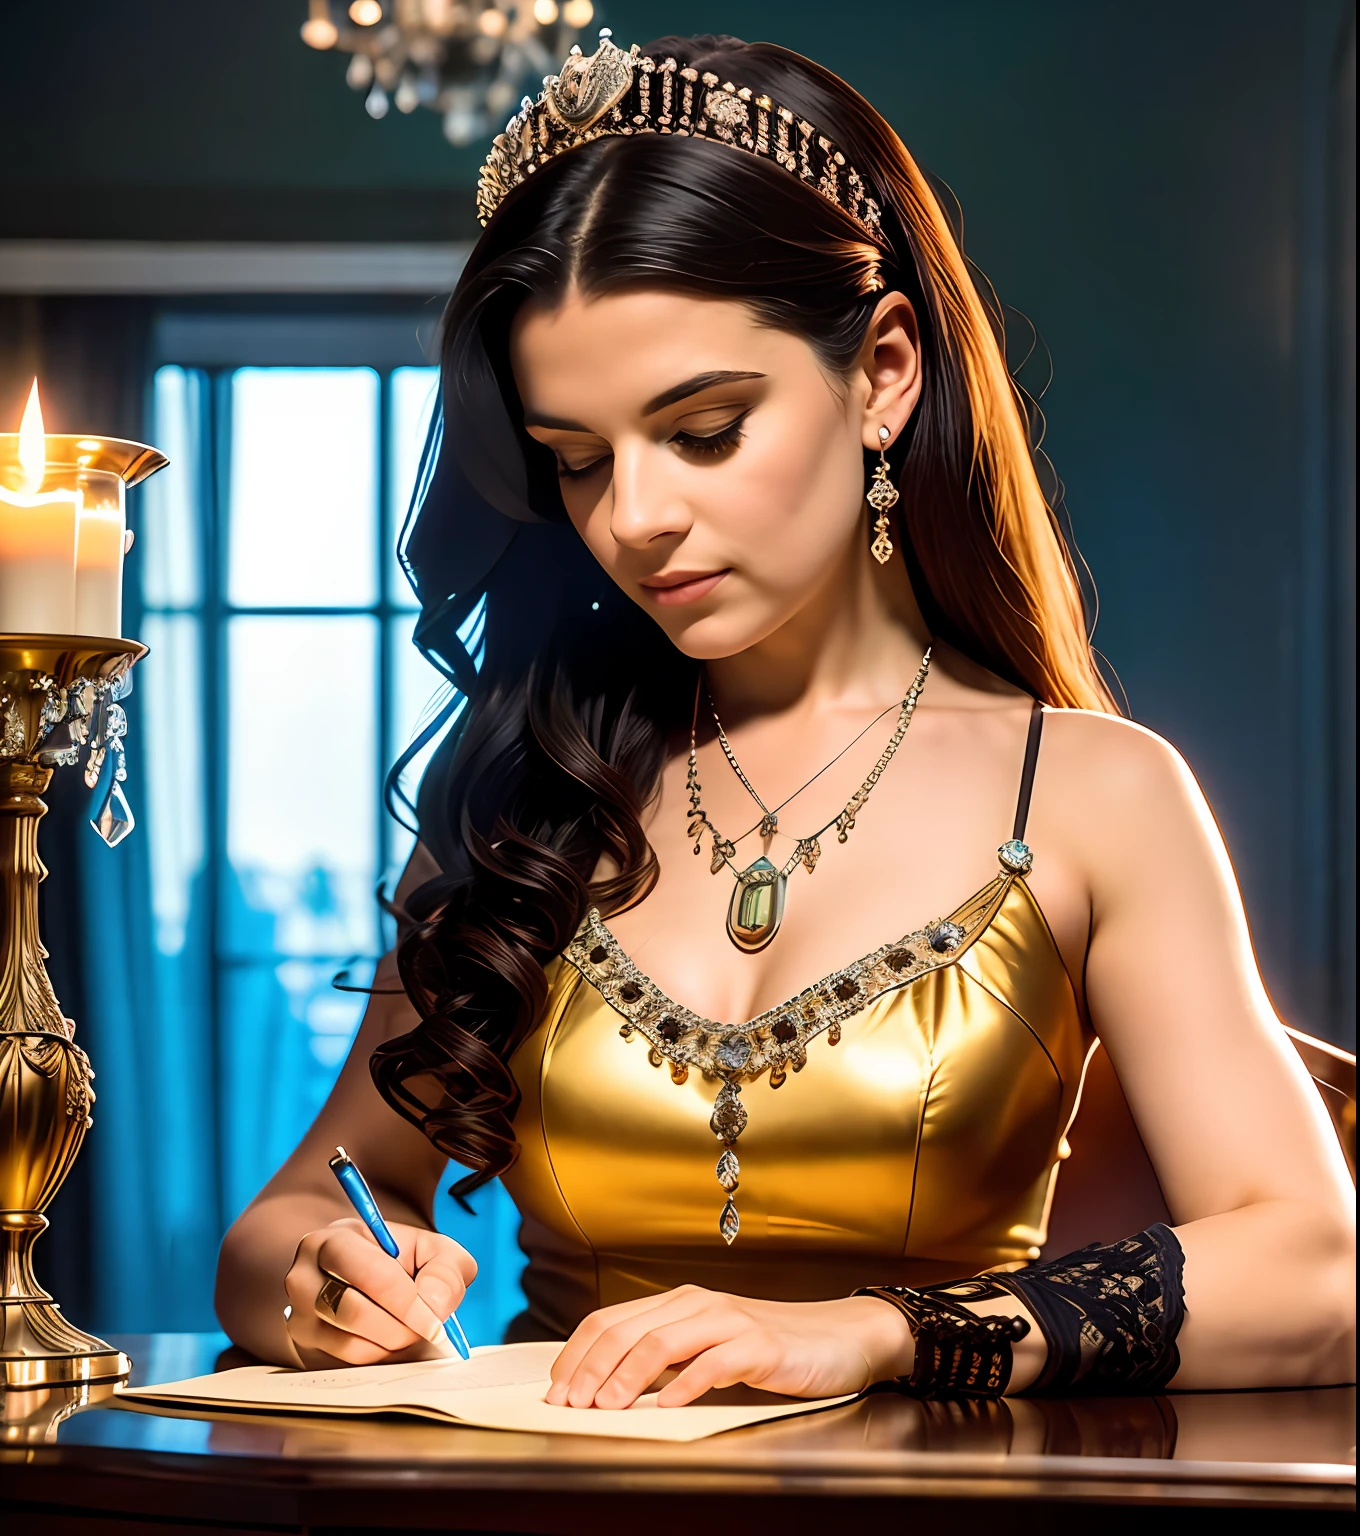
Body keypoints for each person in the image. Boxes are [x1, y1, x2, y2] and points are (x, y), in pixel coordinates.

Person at [216, 32, 1354, 1406]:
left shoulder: (1096, 796)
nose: (631, 517)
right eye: (576, 460)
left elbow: (1320, 1270)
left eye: (701, 431)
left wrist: (881, 1331)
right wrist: (331, 1278)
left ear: (882, 372)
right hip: (542, 1494)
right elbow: (283, 1223)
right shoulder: (525, 788)